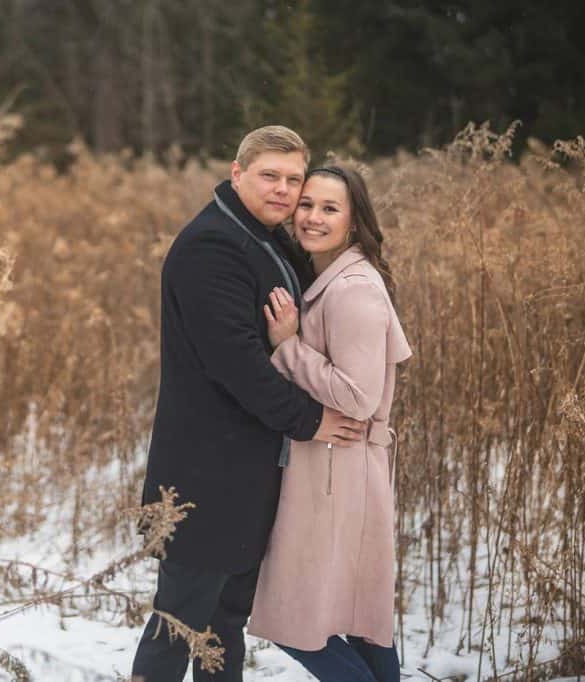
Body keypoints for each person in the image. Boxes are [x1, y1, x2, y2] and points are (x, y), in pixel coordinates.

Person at [131, 129, 367, 682]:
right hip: (204, 477)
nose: (283, 189)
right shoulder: (212, 247)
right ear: (237, 174)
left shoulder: (261, 237)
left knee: (222, 625)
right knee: (177, 625)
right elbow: (235, 364)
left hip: (245, 473)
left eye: (293, 179)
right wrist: (311, 420)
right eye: (270, 176)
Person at [246, 165, 412, 681]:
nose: (313, 217)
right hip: (338, 470)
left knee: (293, 620)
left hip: (338, 475)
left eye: (330, 208)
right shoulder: (331, 277)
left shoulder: (353, 289)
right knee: (361, 623)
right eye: (307, 204)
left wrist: (288, 347)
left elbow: (358, 397)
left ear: (354, 221)